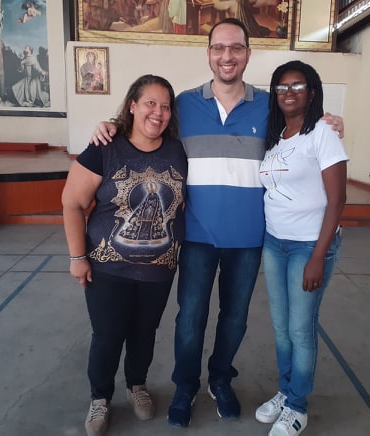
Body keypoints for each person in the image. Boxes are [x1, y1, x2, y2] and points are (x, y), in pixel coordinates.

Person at [90, 18, 344, 428]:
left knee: (235, 318)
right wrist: (111, 124)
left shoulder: (269, 106)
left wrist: (331, 120)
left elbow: (304, 125)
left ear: (248, 53)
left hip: (248, 239)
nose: (228, 56)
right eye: (219, 48)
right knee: (190, 318)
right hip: (196, 237)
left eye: (236, 48)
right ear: (208, 53)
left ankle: (221, 379)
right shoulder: (184, 105)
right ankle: (186, 385)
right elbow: (147, 123)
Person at [62, 74, 187, 436]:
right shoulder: (105, 147)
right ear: (132, 105)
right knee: (107, 335)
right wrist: (77, 257)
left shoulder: (178, 151)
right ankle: (100, 397)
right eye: (150, 103)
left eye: (165, 106)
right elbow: (72, 203)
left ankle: (137, 385)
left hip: (159, 270)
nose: (157, 112)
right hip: (108, 269)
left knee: (145, 333)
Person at [255, 60, 348, 436]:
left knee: (300, 329)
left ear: (312, 92)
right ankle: (286, 390)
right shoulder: (276, 137)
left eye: (297, 86)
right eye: (282, 87)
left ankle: (297, 407)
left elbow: (338, 199)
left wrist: (317, 257)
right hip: (274, 242)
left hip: (310, 244)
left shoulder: (323, 133)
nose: (288, 93)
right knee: (281, 327)